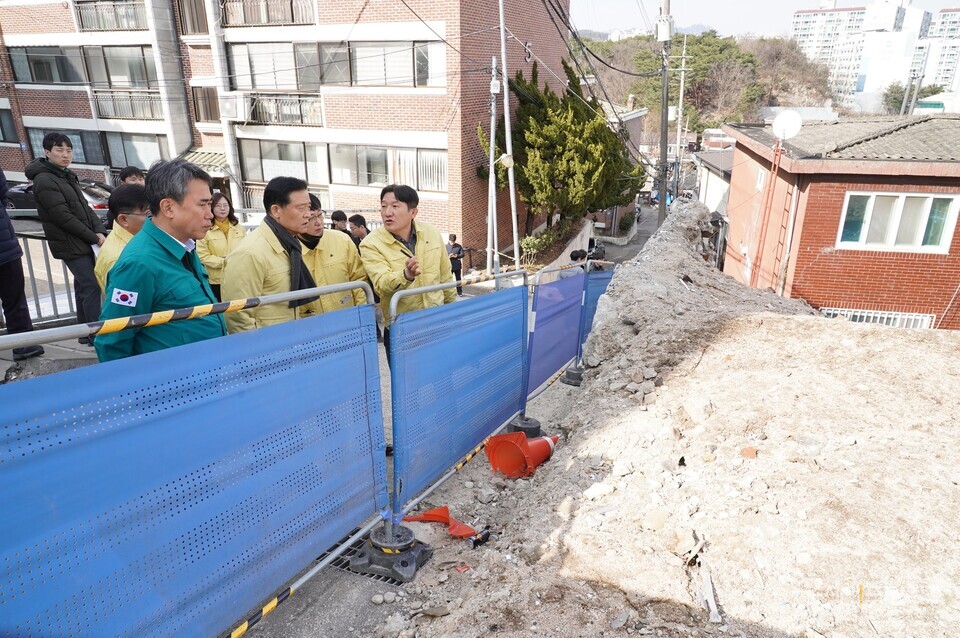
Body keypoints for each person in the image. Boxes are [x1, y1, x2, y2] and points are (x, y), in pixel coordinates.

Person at [94, 159, 226, 362]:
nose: (210, 215)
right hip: (173, 384)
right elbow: (112, 341)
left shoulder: (184, 245)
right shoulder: (139, 263)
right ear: (168, 208)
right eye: (203, 205)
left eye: (210, 204)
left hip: (204, 371)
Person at [27, 132, 106, 345]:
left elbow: (85, 208)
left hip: (82, 240)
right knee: (91, 285)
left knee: (84, 286)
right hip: (70, 243)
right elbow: (63, 217)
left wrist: (99, 231)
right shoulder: (44, 179)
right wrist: (93, 236)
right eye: (59, 150)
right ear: (46, 152)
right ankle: (95, 335)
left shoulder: (65, 174)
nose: (65, 155)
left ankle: (84, 332)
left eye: (68, 150)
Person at [360, 184, 455, 356]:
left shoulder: (431, 233)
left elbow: (445, 277)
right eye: (383, 206)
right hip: (401, 329)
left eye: (395, 206)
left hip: (436, 322)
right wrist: (406, 275)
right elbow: (381, 284)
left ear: (413, 212)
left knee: (442, 378)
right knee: (408, 382)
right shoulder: (370, 244)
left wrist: (453, 312)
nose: (387, 212)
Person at [221, 176, 318, 334]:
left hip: (291, 339)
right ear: (276, 210)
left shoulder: (290, 244)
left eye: (309, 207)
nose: (308, 214)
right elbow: (238, 317)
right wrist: (259, 354)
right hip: (268, 347)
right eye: (301, 208)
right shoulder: (250, 253)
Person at [0, 170, 44, 361]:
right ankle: (23, 345)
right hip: (6, 248)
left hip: (6, 248)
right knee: (15, 300)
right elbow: (3, 193)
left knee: (15, 299)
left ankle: (24, 343)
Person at [300, 194, 368, 314]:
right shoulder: (288, 251)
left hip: (348, 319)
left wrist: (363, 316)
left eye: (320, 215)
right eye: (311, 218)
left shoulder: (342, 240)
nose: (318, 223)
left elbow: (359, 281)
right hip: (310, 326)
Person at [95, 184, 149, 293]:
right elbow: (127, 307)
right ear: (123, 219)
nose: (156, 218)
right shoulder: (119, 260)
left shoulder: (139, 238)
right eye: (148, 213)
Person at [197, 192, 247, 301]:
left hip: (238, 277)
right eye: (218, 206)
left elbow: (247, 249)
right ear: (211, 208)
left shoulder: (238, 228)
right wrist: (224, 262)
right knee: (221, 309)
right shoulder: (205, 229)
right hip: (216, 280)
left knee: (240, 307)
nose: (223, 209)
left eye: (226, 205)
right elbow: (203, 256)